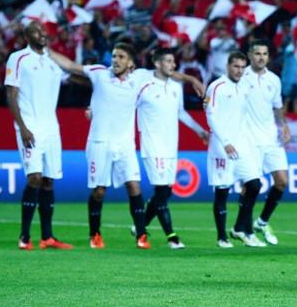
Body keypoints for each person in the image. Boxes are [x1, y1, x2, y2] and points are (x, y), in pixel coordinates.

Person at [48, 42, 204, 249]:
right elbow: (70, 66)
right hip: (99, 142)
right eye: (114, 56)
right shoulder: (99, 72)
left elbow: (167, 72)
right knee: (99, 191)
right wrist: (46, 50)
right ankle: (94, 234)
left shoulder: (139, 78)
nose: (115, 60)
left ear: (130, 63)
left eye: (121, 57)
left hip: (125, 143)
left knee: (134, 186)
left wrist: (191, 78)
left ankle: (141, 235)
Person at [5, 21, 73, 250]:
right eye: (36, 30)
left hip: (52, 128)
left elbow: (72, 78)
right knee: (33, 177)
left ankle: (47, 237)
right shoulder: (19, 58)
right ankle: (25, 236)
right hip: (30, 126)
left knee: (48, 181)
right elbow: (11, 95)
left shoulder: (52, 61)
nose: (42, 33)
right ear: (26, 36)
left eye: (43, 30)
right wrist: (22, 127)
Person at [136, 48, 209, 249]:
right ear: (158, 63)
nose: (173, 65)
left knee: (166, 192)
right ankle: (172, 237)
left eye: (173, 61)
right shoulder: (144, 84)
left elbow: (181, 112)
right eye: (168, 61)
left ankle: (140, 225)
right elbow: (125, 106)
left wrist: (199, 130)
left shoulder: (176, 87)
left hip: (170, 147)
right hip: (152, 146)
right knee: (161, 192)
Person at [205, 51, 266, 248]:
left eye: (242, 67)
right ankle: (222, 236)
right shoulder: (216, 87)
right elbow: (211, 116)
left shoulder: (245, 87)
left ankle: (242, 228)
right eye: (236, 66)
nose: (239, 71)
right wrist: (225, 141)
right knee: (222, 192)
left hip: (242, 146)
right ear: (228, 66)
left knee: (255, 185)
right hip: (222, 148)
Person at [240, 41, 291, 245]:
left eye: (265, 53)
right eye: (257, 53)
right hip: (249, 139)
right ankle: (243, 229)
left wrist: (284, 125)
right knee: (249, 186)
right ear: (249, 56)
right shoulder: (241, 77)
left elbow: (277, 108)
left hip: (271, 137)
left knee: (282, 181)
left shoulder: (274, 80)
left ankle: (261, 221)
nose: (261, 57)